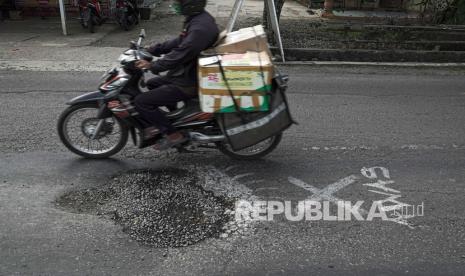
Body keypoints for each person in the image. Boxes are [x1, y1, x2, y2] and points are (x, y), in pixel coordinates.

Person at [134, 0, 219, 151]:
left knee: (141, 102)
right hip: (187, 73)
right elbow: (179, 41)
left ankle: (173, 134)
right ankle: (176, 119)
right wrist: (153, 50)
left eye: (179, 2)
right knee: (153, 83)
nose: (175, 5)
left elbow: (181, 53)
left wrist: (154, 65)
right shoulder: (198, 19)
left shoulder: (199, 28)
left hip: (189, 82)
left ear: (190, 5)